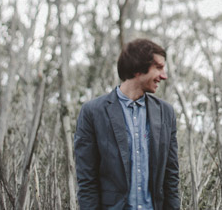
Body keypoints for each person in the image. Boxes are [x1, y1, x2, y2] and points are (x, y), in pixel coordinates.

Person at [74, 38, 180, 210]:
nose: (164, 76)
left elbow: (171, 177)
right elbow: (87, 181)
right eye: (159, 67)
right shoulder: (93, 112)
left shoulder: (166, 113)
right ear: (138, 68)